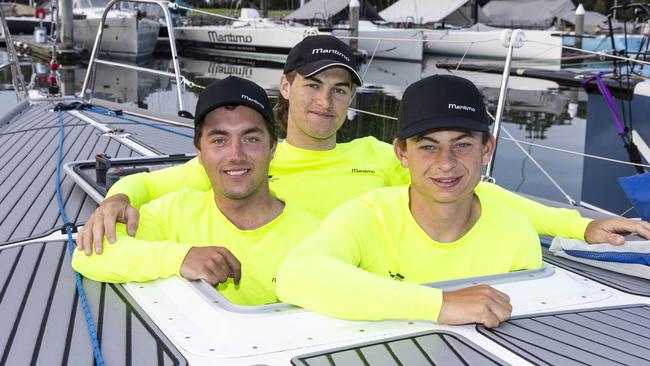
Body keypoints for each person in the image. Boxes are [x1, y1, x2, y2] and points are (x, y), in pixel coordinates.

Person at [76, 35, 650, 256]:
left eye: (341, 91)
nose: (325, 102)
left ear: (352, 99)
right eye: (313, 86)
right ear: (287, 86)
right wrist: (115, 200)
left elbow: (476, 194)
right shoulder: (247, 162)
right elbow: (151, 182)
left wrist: (578, 226)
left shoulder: (378, 157)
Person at [275, 75, 542, 328]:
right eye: (428, 146)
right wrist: (440, 305)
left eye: (462, 145)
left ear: (486, 149)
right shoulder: (367, 217)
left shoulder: (517, 235)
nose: (446, 163)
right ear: (401, 153)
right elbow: (297, 275)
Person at [72, 76, 319, 306]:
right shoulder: (172, 213)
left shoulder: (314, 237)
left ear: (273, 148)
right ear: (199, 153)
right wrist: (180, 258)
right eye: (219, 140)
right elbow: (88, 256)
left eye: (251, 139)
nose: (235, 155)